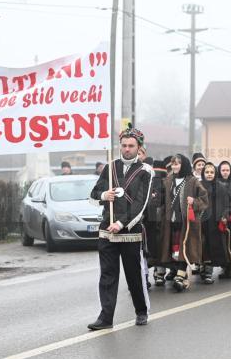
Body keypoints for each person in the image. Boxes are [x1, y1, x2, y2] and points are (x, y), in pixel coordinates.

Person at [88, 124, 152, 330]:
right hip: (107, 229)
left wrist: (121, 222)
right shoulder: (109, 167)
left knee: (133, 274)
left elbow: (140, 204)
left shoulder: (145, 171)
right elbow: (93, 194)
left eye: (131, 146)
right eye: (123, 145)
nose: (126, 149)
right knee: (107, 274)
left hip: (129, 232)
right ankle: (105, 317)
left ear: (138, 147)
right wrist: (102, 196)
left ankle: (141, 310)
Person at [159, 154, 208, 291]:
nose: (174, 166)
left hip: (187, 223)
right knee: (174, 249)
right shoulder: (167, 180)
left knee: (184, 247)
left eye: (177, 164)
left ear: (184, 165)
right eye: (173, 164)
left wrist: (194, 202)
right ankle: (181, 274)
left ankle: (180, 276)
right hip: (171, 221)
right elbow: (162, 200)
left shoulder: (192, 181)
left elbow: (204, 200)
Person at [200, 162, 231, 284]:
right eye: (207, 172)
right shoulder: (199, 186)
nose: (209, 174)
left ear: (215, 173)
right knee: (202, 247)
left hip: (216, 223)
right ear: (203, 173)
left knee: (216, 248)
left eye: (212, 172)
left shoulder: (221, 187)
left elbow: (228, 204)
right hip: (202, 222)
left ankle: (210, 272)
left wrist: (225, 215)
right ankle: (203, 269)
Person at [217, 160, 231, 278]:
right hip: (220, 216)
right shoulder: (216, 182)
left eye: (227, 170)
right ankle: (225, 266)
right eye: (223, 170)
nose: (225, 172)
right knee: (222, 243)